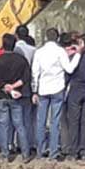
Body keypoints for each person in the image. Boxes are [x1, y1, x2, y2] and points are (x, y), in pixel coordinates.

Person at [0, 34, 33, 162]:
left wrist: (6, 87)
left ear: (3, 45)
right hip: (16, 96)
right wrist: (14, 87)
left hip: (1, 96)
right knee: (20, 124)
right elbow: (26, 78)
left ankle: (5, 154)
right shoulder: (21, 60)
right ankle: (26, 153)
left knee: (3, 125)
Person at [32, 27, 68, 160]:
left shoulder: (39, 52)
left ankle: (41, 150)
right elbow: (68, 68)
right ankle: (54, 151)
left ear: (46, 37)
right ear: (57, 38)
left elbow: (35, 73)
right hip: (57, 88)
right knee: (55, 121)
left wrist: (34, 90)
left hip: (43, 89)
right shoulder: (60, 51)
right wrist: (76, 55)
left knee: (41, 121)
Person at [62, 33, 85, 160]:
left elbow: (67, 75)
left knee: (74, 121)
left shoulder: (73, 57)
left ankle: (73, 151)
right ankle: (84, 151)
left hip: (75, 90)